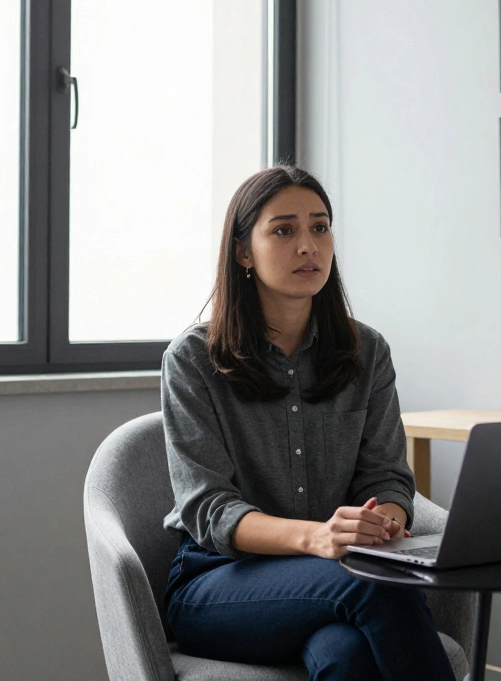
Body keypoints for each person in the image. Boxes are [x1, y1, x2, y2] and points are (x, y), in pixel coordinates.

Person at [160, 166, 456, 681]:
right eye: (284, 230)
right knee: (373, 586)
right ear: (243, 252)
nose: (308, 246)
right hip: (219, 583)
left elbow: (386, 475)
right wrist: (318, 538)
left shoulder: (368, 351)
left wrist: (380, 521)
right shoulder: (192, 359)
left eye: (320, 228)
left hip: (335, 578)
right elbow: (209, 509)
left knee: (347, 657)